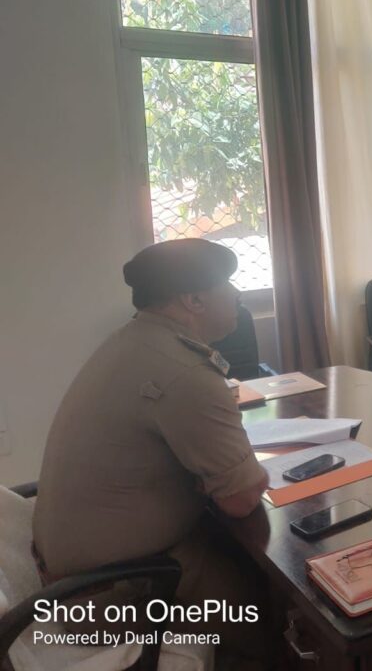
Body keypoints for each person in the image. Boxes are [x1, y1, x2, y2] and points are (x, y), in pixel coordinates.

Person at [33, 239, 271, 661]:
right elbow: (242, 498)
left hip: (77, 574)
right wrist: (223, 479)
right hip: (115, 594)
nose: (237, 294)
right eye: (227, 283)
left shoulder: (131, 341)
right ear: (194, 299)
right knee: (275, 610)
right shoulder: (184, 370)